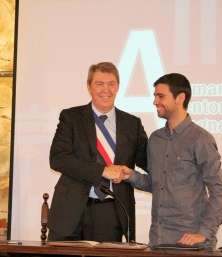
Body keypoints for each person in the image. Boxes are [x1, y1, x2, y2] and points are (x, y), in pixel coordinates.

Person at [122, 73, 222, 249]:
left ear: (180, 98)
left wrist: (204, 233)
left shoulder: (201, 139)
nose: (155, 102)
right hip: (158, 238)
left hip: (190, 241)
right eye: (155, 96)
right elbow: (156, 183)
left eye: (160, 96)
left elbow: (218, 190)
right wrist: (131, 175)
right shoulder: (155, 139)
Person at [47, 62, 148, 242]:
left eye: (111, 84)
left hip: (110, 211)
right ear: (89, 87)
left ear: (118, 87)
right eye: (99, 84)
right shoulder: (71, 117)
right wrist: (102, 171)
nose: (105, 90)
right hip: (69, 209)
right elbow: (58, 159)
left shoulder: (132, 124)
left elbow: (150, 162)